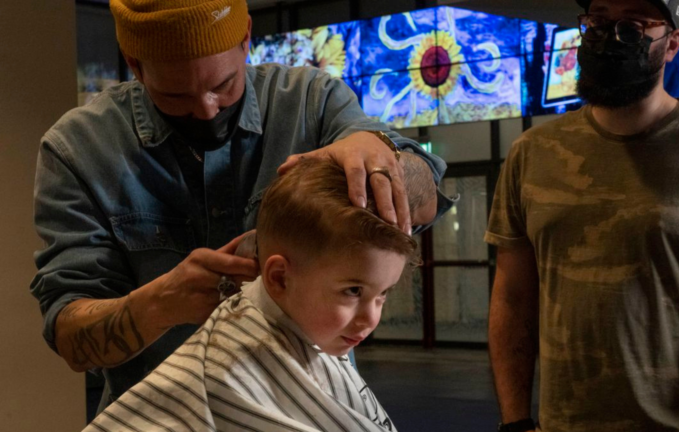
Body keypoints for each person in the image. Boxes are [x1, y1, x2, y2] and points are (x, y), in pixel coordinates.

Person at [31, 0, 451, 414]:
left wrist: (380, 155)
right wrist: (163, 301)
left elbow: (425, 197)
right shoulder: (78, 149)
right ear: (135, 64)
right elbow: (71, 337)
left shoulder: (312, 103)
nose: (206, 109)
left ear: (246, 36)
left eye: (223, 85)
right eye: (175, 95)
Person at [486, 0, 679, 431]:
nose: (609, 37)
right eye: (598, 21)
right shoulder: (532, 153)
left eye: (633, 27)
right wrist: (516, 420)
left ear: (672, 45)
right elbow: (512, 297)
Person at [81, 159, 413, 432]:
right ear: (279, 278)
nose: (372, 318)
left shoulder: (313, 330)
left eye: (382, 294)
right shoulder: (224, 373)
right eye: (353, 291)